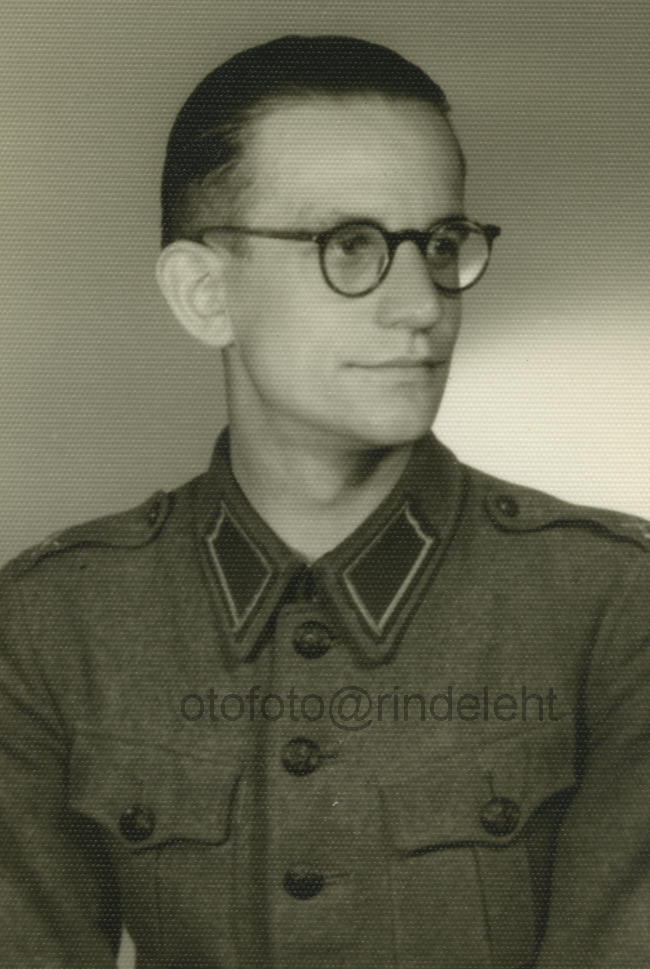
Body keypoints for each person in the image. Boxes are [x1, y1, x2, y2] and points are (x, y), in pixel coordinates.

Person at [1, 34, 649, 969]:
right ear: (203, 294)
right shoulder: (52, 620)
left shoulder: (612, 603)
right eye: (350, 245)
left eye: (441, 244)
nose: (422, 304)